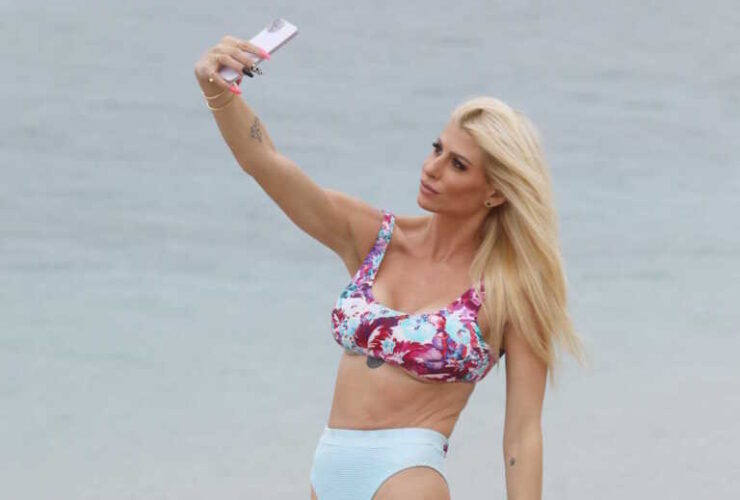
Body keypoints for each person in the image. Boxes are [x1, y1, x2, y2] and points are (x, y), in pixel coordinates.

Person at [194, 35, 587, 500]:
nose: (433, 168)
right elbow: (266, 163)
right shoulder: (375, 239)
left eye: (458, 165)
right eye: (437, 148)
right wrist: (218, 89)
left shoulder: (508, 290)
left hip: (407, 477)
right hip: (327, 474)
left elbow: (521, 436)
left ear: (496, 192)